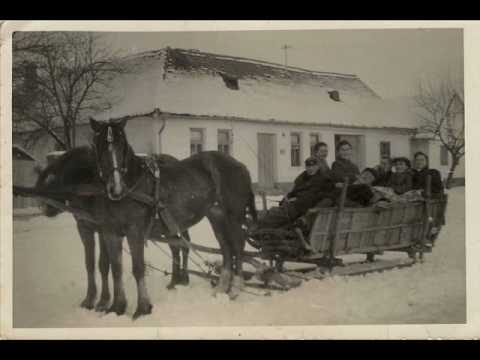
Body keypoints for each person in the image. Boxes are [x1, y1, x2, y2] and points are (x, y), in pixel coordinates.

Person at [255, 157, 334, 230]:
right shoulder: (303, 178)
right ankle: (262, 222)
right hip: (295, 205)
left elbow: (315, 195)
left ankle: (259, 223)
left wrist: (296, 200)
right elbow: (295, 191)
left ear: (317, 167)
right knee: (275, 210)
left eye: (313, 166)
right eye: (308, 166)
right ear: (306, 167)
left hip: (304, 207)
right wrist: (287, 198)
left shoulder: (322, 179)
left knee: (279, 214)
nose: (311, 169)